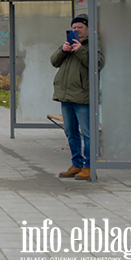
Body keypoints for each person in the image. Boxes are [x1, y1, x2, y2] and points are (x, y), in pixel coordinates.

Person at [51, 13, 105, 181]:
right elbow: (54, 61)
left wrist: (80, 49)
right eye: (74, 28)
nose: (76, 30)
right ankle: (76, 164)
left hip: (83, 97)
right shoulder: (69, 43)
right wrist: (63, 49)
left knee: (87, 133)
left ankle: (89, 167)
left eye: (80, 27)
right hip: (66, 95)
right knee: (70, 132)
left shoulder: (94, 44)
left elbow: (97, 63)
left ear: (88, 29)